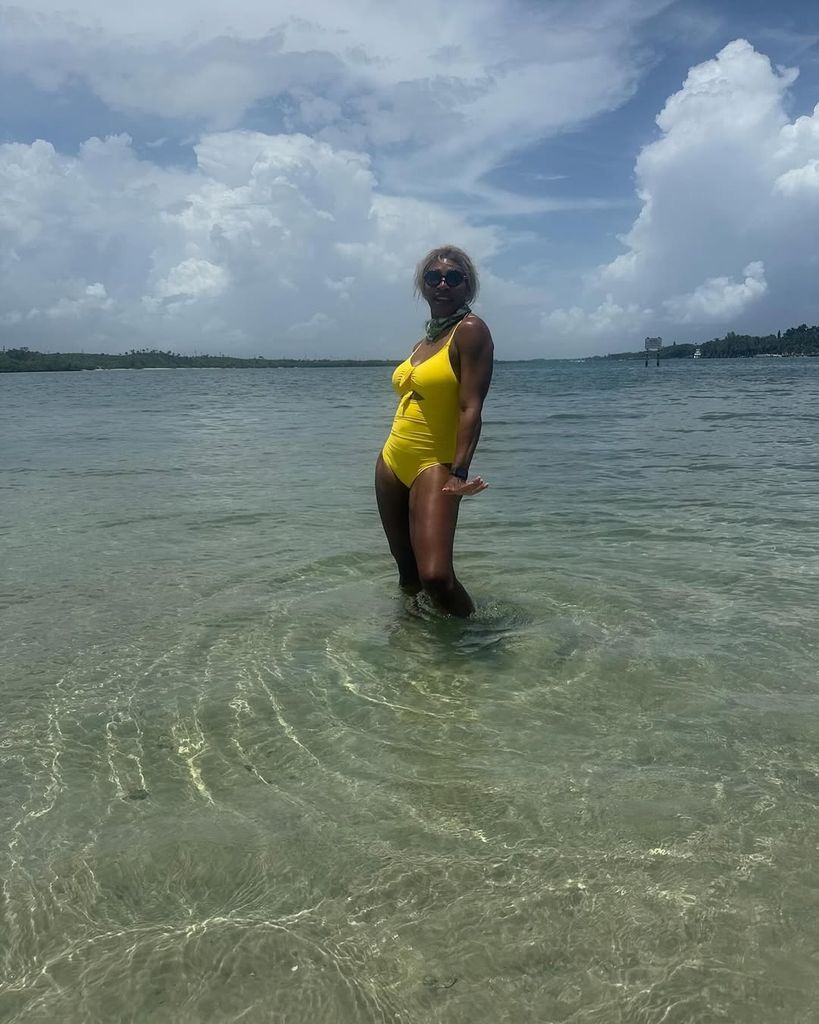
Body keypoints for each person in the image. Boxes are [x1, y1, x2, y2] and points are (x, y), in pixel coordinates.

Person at [375, 245, 494, 617]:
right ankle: (413, 639)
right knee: (407, 572)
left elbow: (471, 407)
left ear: (468, 286)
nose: (443, 284)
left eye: (453, 277)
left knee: (436, 577)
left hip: (435, 463)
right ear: (423, 285)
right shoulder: (424, 342)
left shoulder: (470, 331)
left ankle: (477, 639)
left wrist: (459, 472)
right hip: (393, 459)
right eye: (433, 277)